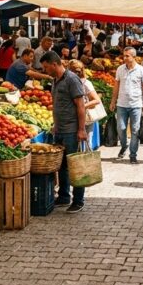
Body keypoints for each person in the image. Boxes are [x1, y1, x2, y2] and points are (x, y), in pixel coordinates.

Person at [40, 52, 89, 214]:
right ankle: (64, 196)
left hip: (72, 130)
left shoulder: (72, 79)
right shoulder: (55, 80)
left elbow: (80, 105)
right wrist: (55, 124)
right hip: (60, 130)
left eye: (46, 67)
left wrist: (81, 129)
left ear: (54, 64)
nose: (45, 70)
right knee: (62, 166)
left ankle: (78, 200)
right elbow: (58, 104)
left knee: (75, 166)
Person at [110, 47, 143, 164]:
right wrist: (113, 101)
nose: (124, 58)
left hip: (136, 105)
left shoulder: (141, 70)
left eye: (127, 56)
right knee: (121, 128)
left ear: (133, 56)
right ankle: (124, 145)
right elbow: (116, 86)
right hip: (121, 104)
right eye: (124, 55)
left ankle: (133, 154)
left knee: (135, 130)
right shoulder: (120, 69)